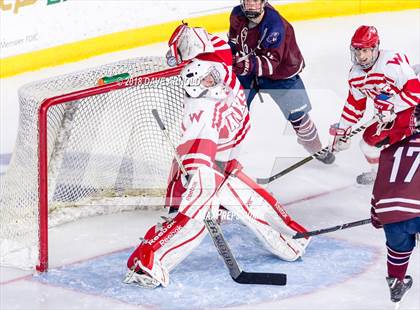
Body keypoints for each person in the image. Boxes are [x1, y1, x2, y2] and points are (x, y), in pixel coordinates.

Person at [122, 28, 311, 288]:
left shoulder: (219, 65)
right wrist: (199, 176)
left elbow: (217, 47)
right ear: (195, 85)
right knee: (194, 219)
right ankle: (148, 262)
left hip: (225, 162)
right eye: (206, 80)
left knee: (253, 202)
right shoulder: (200, 110)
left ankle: (291, 239)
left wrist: (190, 40)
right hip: (207, 166)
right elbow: (198, 149)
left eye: (212, 77)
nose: (212, 80)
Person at [228, 0, 335, 164]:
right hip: (248, 70)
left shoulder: (275, 25)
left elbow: (271, 64)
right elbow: (233, 45)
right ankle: (226, 156)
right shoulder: (236, 14)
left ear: (263, 2)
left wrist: (245, 64)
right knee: (234, 111)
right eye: (247, 0)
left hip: (281, 73)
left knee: (299, 117)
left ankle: (315, 147)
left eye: (255, 0)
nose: (251, 5)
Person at [330, 25, 420, 184]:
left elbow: (415, 93)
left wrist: (391, 106)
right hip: (390, 117)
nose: (360, 56)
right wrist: (343, 131)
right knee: (367, 145)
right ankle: (380, 174)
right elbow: (354, 105)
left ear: (375, 48)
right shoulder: (355, 75)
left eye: (365, 50)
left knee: (411, 147)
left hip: (414, 110)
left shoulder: (391, 63)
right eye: (357, 50)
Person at [370, 104, 419, 305]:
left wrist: (376, 216)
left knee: (398, 249)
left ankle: (396, 284)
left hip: (391, 214)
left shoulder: (389, 151)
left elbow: (379, 187)